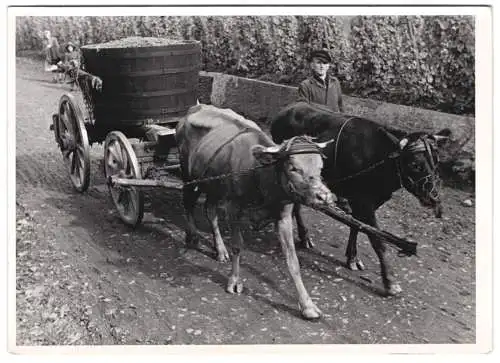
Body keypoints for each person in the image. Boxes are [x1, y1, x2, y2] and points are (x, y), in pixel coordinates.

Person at [297, 48, 351, 214]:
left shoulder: (335, 83)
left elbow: (340, 106)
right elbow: (304, 111)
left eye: (325, 63)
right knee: (321, 163)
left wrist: (344, 124)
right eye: (318, 63)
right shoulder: (306, 86)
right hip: (317, 131)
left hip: (336, 129)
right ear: (312, 65)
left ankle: (342, 197)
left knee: (344, 159)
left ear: (329, 66)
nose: (322, 66)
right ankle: (318, 193)